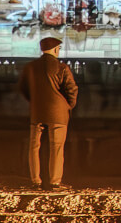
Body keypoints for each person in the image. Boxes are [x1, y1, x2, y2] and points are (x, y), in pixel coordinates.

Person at [18, 36, 78, 189]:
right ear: (56, 49)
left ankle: (35, 181)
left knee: (34, 146)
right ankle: (55, 181)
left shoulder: (30, 67)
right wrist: (68, 105)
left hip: (37, 111)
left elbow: (23, 88)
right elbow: (72, 89)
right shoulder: (62, 67)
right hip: (58, 112)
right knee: (56, 147)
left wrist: (34, 101)